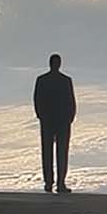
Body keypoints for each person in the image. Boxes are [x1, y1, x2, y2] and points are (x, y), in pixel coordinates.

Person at [33, 53, 76, 193]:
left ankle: (49, 183)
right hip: (61, 121)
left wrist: (42, 116)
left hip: (49, 121)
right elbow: (71, 101)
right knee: (61, 152)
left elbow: (37, 100)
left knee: (48, 152)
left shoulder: (42, 80)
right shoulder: (66, 81)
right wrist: (70, 117)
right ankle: (59, 183)